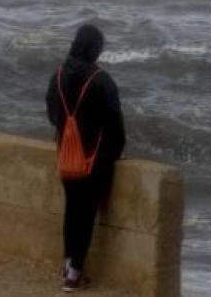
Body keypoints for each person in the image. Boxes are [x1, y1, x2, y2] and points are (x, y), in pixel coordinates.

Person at [46, 24, 126, 292]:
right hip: (95, 159)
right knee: (86, 214)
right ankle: (74, 273)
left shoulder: (57, 75)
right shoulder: (101, 80)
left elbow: (52, 114)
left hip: (67, 156)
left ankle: (69, 264)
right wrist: (116, 153)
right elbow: (115, 124)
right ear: (95, 49)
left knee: (72, 210)